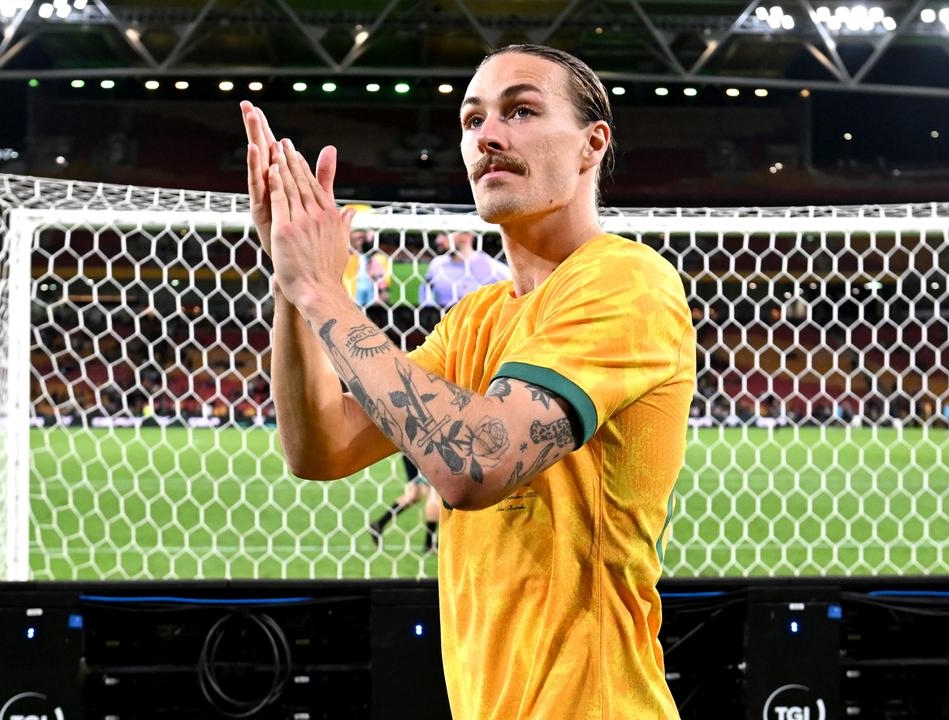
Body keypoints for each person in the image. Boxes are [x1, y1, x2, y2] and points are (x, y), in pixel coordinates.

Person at [240, 42, 692, 720]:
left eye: (522, 110)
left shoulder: (626, 283)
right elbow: (321, 446)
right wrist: (292, 282)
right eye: (471, 120)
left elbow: (475, 463)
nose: (489, 135)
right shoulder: (476, 319)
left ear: (592, 143)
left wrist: (323, 290)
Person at [369, 231, 510, 552]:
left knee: (427, 490)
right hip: (447, 361)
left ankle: (416, 537)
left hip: (482, 363)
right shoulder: (435, 268)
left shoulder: (496, 272)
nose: (440, 238)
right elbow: (426, 306)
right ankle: (435, 544)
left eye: (447, 232)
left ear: (467, 233)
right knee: (437, 487)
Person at [419, 231, 511, 308]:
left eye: (445, 234)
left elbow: (515, 291)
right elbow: (425, 288)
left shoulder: (491, 267)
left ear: (467, 236)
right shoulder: (437, 264)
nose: (438, 240)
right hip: (446, 325)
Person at [342, 228, 391, 306]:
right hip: (351, 296)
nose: (361, 235)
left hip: (371, 295)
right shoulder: (343, 257)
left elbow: (380, 277)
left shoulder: (376, 257)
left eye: (364, 232)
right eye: (357, 231)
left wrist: (383, 291)